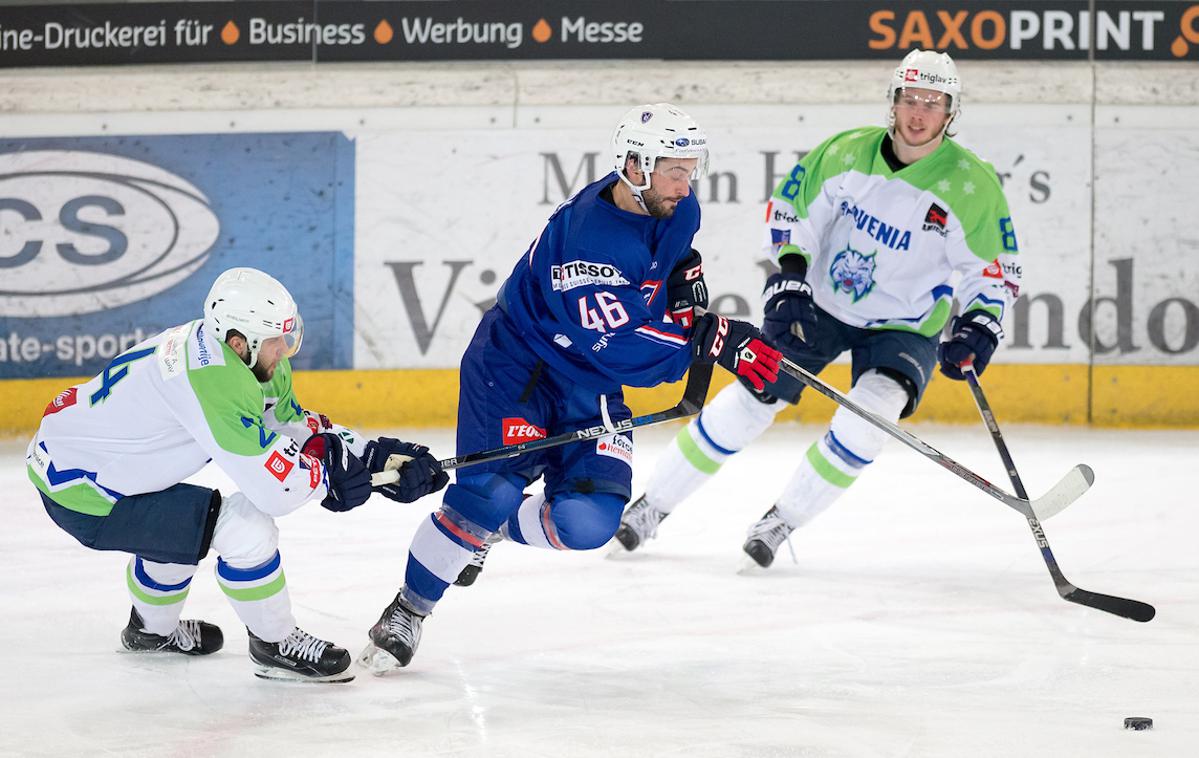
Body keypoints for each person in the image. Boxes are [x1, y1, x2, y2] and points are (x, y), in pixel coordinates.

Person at [360, 103, 792, 673]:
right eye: (674, 170)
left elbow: (670, 261)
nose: (686, 183)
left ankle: (490, 533)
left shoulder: (673, 203)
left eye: (691, 169)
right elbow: (627, 349)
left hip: (590, 381)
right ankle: (409, 608)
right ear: (635, 167)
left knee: (589, 523)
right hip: (518, 368)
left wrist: (687, 283)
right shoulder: (589, 244)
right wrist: (713, 341)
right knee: (486, 494)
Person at [612, 50, 1024, 567]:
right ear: (893, 103)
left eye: (933, 103)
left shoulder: (972, 185)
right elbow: (793, 211)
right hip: (822, 305)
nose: (919, 113)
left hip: (907, 323)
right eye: (910, 99)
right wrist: (788, 276)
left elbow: (994, 267)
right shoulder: (846, 152)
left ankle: (783, 519)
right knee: (752, 398)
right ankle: (653, 505)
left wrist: (982, 321)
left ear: (950, 112)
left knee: (870, 418)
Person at [27, 267, 447, 682]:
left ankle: (149, 633)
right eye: (275, 341)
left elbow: (289, 424)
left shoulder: (242, 355)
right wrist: (329, 477)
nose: (284, 350)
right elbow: (275, 491)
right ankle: (274, 645)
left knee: (180, 531)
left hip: (90, 464)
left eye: (287, 336)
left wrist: (371, 454)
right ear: (238, 341)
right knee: (246, 529)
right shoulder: (212, 380)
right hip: (83, 493)